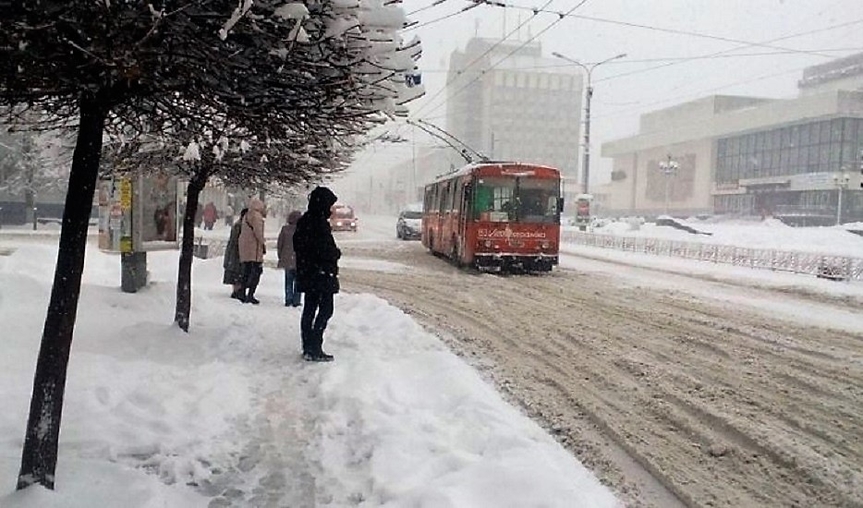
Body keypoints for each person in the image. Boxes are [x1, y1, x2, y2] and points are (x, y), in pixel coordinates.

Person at [293, 187, 341, 362]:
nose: (331, 209)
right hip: (320, 274)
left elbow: (300, 246)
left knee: (310, 309)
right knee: (325, 309)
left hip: (310, 273)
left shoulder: (306, 220)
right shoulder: (317, 222)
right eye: (330, 204)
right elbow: (322, 249)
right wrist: (335, 254)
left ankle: (308, 346)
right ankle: (314, 346)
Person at [238, 198, 266, 304]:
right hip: (254, 248)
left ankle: (242, 292)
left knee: (247, 271)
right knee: (256, 272)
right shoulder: (257, 216)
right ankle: (250, 295)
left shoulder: (246, 216)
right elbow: (258, 233)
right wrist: (263, 243)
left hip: (246, 247)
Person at [277, 210, 303, 307]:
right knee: (298, 282)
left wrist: (280, 256)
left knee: (288, 281)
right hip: (300, 260)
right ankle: (296, 300)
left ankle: (288, 299)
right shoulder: (304, 230)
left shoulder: (285, 229)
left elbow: (280, 244)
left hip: (287, 259)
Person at [223, 208, 248, 300]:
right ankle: (237, 290)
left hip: (235, 252)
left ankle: (237, 290)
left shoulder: (238, 225)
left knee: (237, 271)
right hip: (237, 252)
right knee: (238, 271)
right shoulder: (240, 226)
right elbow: (236, 240)